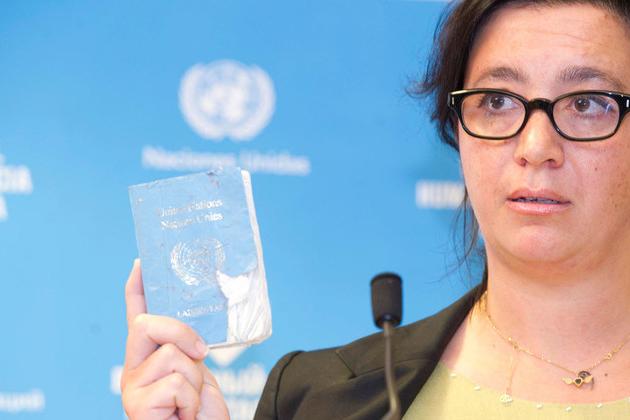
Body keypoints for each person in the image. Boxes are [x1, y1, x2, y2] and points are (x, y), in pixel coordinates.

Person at [120, 0, 630, 418]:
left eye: (587, 103)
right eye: (496, 101)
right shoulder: (314, 400)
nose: (536, 147)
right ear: (456, 131)